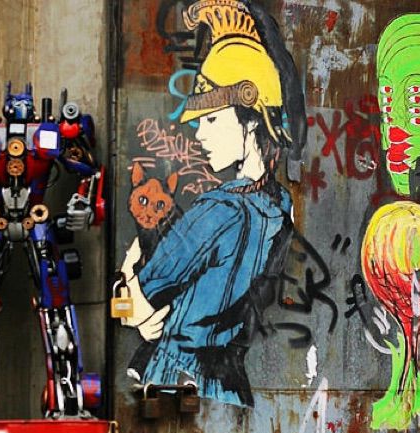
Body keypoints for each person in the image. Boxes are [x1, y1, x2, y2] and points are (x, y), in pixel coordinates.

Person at [120, 0, 305, 407]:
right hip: (231, 388)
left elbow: (131, 308)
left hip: (177, 383)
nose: (200, 134)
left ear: (252, 118)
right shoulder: (279, 205)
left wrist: (131, 263)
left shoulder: (217, 211)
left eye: (212, 119)